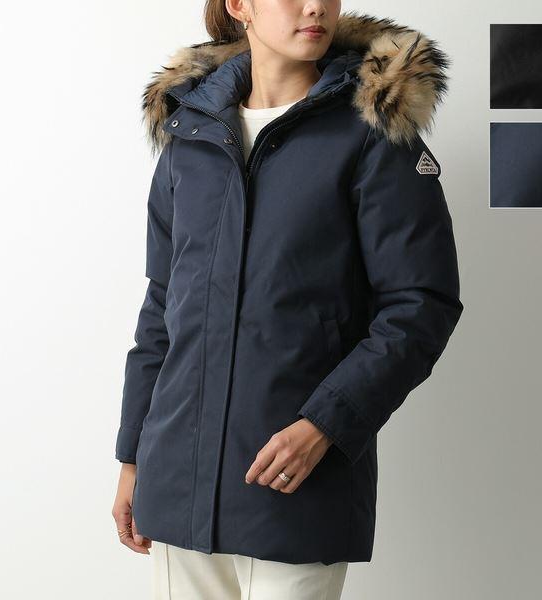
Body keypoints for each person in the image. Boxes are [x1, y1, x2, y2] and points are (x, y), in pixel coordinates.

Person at [112, 1, 464, 598]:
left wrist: (325, 424)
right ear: (239, 6)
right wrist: (133, 457)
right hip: (177, 482)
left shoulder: (371, 132)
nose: (315, 6)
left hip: (296, 484)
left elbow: (421, 304)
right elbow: (162, 309)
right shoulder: (190, 132)